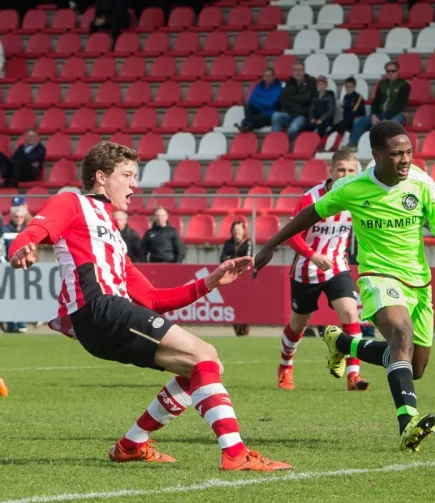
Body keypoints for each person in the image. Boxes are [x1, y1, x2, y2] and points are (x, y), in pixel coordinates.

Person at [6, 142, 290, 470]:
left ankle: (130, 445)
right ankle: (235, 454)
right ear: (100, 177)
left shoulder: (111, 233)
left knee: (203, 364)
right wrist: (21, 246)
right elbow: (35, 229)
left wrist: (211, 281)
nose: (134, 184)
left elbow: (154, 299)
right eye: (126, 175)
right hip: (99, 309)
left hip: (104, 317)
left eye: (134, 176)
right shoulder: (73, 202)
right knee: (204, 355)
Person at [253, 122, 435, 451]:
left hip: (419, 283)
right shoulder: (354, 187)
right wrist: (270, 245)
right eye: (396, 154)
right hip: (378, 277)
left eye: (408, 152)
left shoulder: (422, 184)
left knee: (413, 366)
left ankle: (345, 345)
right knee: (400, 335)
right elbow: (311, 213)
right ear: (377, 156)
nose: (405, 159)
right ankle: (408, 423)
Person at [276, 148, 370, 392]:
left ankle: (354, 376)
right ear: (331, 171)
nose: (346, 174)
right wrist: (312, 255)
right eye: (341, 170)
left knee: (350, 315)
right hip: (306, 269)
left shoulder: (358, 198)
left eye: (351, 170)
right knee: (299, 324)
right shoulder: (311, 198)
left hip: (338, 266)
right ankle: (285, 367)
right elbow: (292, 235)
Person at [351, 62, 410, 145]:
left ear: (397, 71)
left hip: (397, 114)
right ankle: (353, 144)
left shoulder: (404, 85)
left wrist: (386, 118)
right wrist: (373, 115)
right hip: (380, 114)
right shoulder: (382, 84)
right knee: (358, 121)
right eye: (388, 71)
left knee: (393, 124)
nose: (390, 73)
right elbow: (376, 101)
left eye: (393, 71)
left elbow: (400, 104)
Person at [220, 219, 255, 338]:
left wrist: (231, 259)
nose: (237, 232)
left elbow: (248, 259)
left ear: (243, 231)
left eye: (239, 230)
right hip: (230, 277)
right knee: (233, 303)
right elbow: (222, 258)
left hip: (244, 277)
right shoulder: (227, 243)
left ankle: (245, 329)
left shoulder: (248, 243)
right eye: (235, 230)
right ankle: (236, 329)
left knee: (245, 303)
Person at [2, 201, 29, 333]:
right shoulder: (4, 231)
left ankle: (21, 322)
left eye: (21, 217)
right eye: (16, 217)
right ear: (11, 217)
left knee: (22, 295)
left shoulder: (27, 230)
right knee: (9, 296)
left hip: (23, 268)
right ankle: (11, 324)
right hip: (7, 268)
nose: (18, 219)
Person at [272, 61, 318, 140]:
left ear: (304, 71)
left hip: (302, 116)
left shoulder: (311, 82)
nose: (298, 73)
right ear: (292, 72)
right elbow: (283, 100)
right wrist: (298, 103)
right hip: (289, 114)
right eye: (296, 70)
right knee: (276, 116)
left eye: (300, 70)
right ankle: (276, 141)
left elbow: (307, 98)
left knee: (292, 130)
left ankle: (284, 143)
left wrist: (292, 97)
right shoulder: (289, 83)